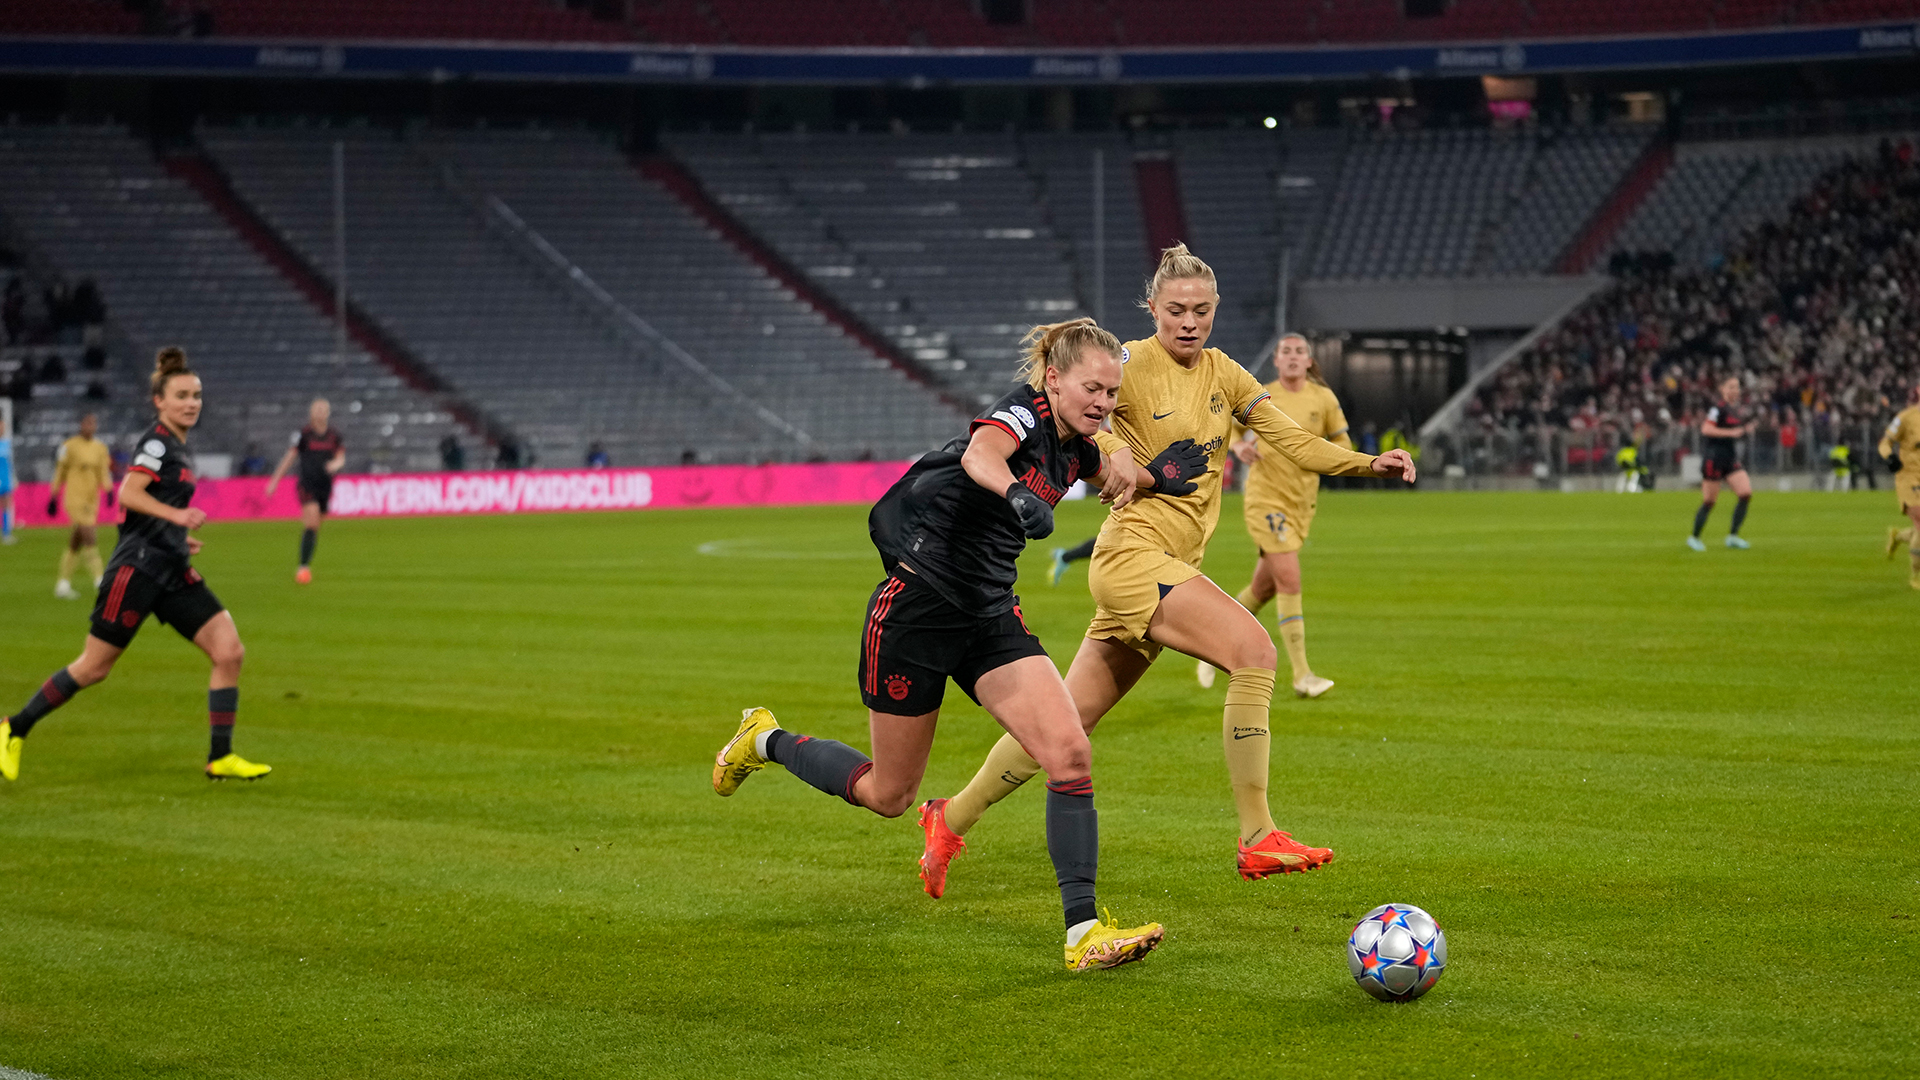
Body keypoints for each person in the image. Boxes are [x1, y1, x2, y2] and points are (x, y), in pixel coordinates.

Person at [711, 318, 1205, 971]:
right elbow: (981, 455)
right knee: (890, 795)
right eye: (1093, 387)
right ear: (1053, 379)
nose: (1104, 403)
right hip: (916, 610)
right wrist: (1015, 496)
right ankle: (764, 738)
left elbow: (1115, 479)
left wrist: (1156, 477)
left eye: (1112, 393)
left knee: (1067, 751)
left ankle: (1083, 933)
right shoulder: (1023, 412)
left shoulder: (1078, 446)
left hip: (989, 615)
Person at [922, 245, 1416, 897]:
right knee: (1252, 650)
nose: (1189, 322)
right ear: (1152, 308)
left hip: (1166, 564)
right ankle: (1258, 835)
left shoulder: (1224, 374)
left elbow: (1288, 437)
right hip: (1132, 558)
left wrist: (1366, 463)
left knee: (1066, 724)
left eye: (1202, 311)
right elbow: (1085, 418)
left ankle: (949, 819)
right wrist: (1118, 452)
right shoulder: (1126, 364)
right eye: (1176, 310)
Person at [0, 347, 270, 783]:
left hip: (171, 569)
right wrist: (178, 518)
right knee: (93, 667)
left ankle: (221, 756)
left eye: (197, 395)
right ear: (159, 401)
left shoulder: (177, 448)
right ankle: (13, 728)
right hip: (138, 572)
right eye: (181, 395)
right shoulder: (157, 443)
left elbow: (148, 510)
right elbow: (129, 493)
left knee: (229, 651)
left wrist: (178, 538)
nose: (192, 402)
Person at [1197, 333, 1351, 698]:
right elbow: (1231, 429)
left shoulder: (1323, 399)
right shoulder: (1262, 395)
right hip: (1266, 501)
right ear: (1278, 362)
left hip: (1301, 504)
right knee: (1290, 580)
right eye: (1286, 352)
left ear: (1309, 361)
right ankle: (1302, 675)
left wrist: (1326, 455)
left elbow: (1343, 443)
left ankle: (1209, 649)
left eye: (1300, 352)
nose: (1294, 357)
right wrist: (1238, 447)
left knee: (1263, 588)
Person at [265, 398, 344, 585]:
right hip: (307, 485)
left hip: (325, 486)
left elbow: (341, 457)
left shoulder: (334, 436)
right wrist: (275, 481)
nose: (320, 412)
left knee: (316, 525)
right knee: (311, 524)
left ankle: (305, 559)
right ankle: (303, 567)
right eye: (316, 409)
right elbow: (289, 458)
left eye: (323, 409)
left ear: (328, 412)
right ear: (311, 412)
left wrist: (335, 464)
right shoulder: (303, 435)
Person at [48, 412, 113, 599]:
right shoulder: (69, 446)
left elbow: (103, 471)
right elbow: (60, 471)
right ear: (81, 425)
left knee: (75, 543)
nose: (90, 427)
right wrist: (54, 496)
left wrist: (109, 491)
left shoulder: (100, 447)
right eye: (87, 423)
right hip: (74, 498)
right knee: (89, 536)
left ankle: (62, 584)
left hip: (92, 499)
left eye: (93, 423)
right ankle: (100, 580)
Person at [1687, 376, 1755, 551]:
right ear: (1722, 389)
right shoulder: (1717, 409)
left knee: (1746, 493)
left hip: (1730, 459)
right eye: (1731, 387)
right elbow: (1706, 429)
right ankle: (1694, 538)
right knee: (1709, 501)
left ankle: (1732, 536)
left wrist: (1745, 431)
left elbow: (1734, 432)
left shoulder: (1734, 410)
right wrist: (1732, 433)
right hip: (1714, 458)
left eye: (1737, 387)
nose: (1735, 390)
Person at [1880, 384, 1920, 589]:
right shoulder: (1905, 417)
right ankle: (1916, 576)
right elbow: (1884, 442)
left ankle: (1897, 536)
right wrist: (1890, 458)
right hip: (1908, 478)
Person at [0, 408, 14, 545]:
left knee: (6, 505)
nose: (2, 429)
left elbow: (9, 463)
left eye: (3, 426)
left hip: (5, 479)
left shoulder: (6, 443)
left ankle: (6, 534)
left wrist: (12, 478)